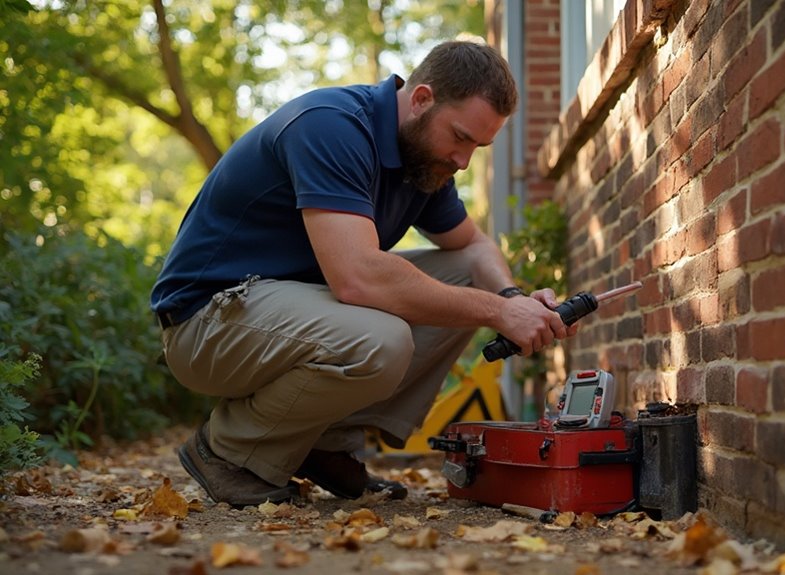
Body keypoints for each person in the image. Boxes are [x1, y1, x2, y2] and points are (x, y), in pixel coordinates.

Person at [150, 40, 575, 508]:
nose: (463, 160)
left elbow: (473, 248)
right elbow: (357, 278)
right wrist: (498, 312)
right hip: (206, 323)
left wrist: (512, 297)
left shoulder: (423, 163)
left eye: (478, 146)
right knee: (381, 338)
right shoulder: (330, 126)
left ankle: (327, 442)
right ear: (421, 100)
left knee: (467, 277)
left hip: (282, 314)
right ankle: (229, 451)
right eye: (460, 136)